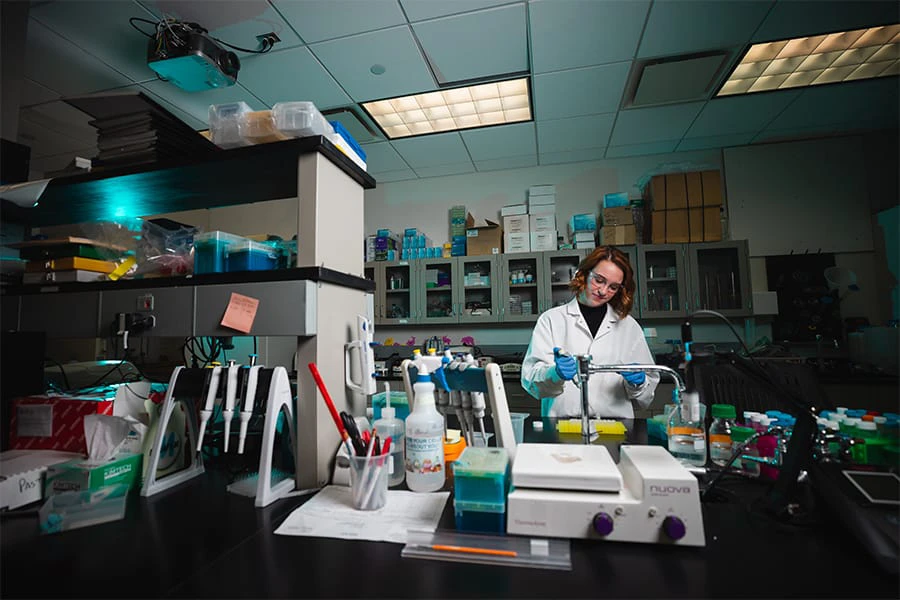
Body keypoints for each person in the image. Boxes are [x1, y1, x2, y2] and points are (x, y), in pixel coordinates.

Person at [521, 245, 659, 418]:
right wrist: (555, 374)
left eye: (613, 287)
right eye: (599, 280)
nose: (603, 291)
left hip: (615, 427)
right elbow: (531, 381)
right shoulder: (551, 320)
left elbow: (645, 399)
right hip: (562, 426)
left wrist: (638, 383)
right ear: (584, 274)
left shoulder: (628, 327)